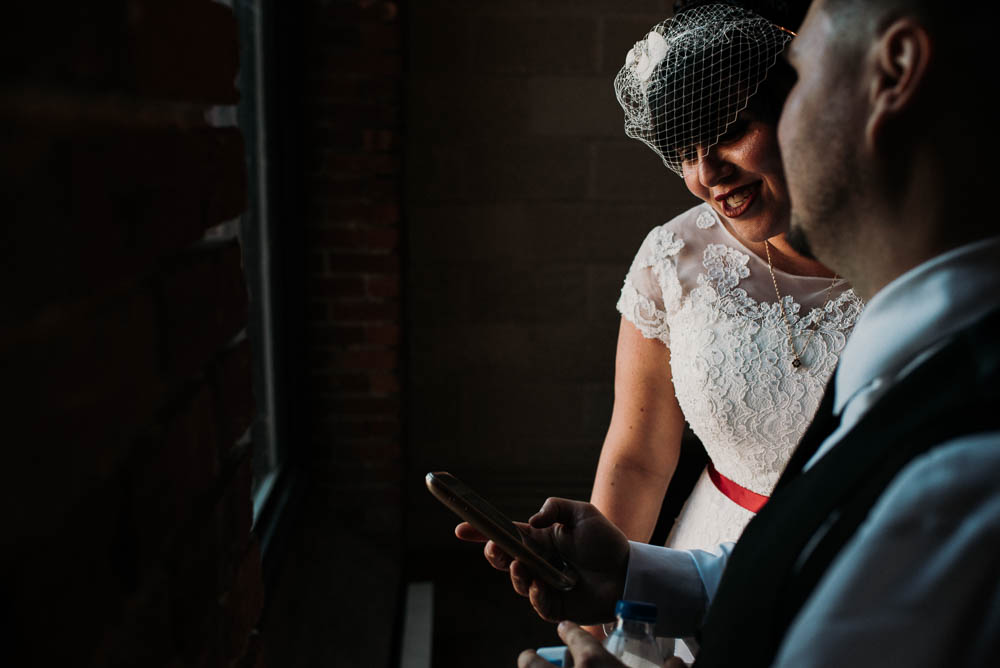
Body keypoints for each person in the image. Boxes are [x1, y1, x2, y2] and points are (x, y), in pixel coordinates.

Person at [459, 0, 1000, 665]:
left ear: (895, 74)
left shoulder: (962, 448)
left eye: (803, 70)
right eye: (682, 149)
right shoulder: (927, 342)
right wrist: (634, 573)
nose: (707, 174)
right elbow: (819, 548)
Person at [592, 1, 863, 566]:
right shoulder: (670, 260)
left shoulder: (909, 241)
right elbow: (638, 459)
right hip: (715, 555)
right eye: (683, 153)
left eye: (728, 132)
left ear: (797, 108)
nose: (707, 175)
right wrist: (592, 620)